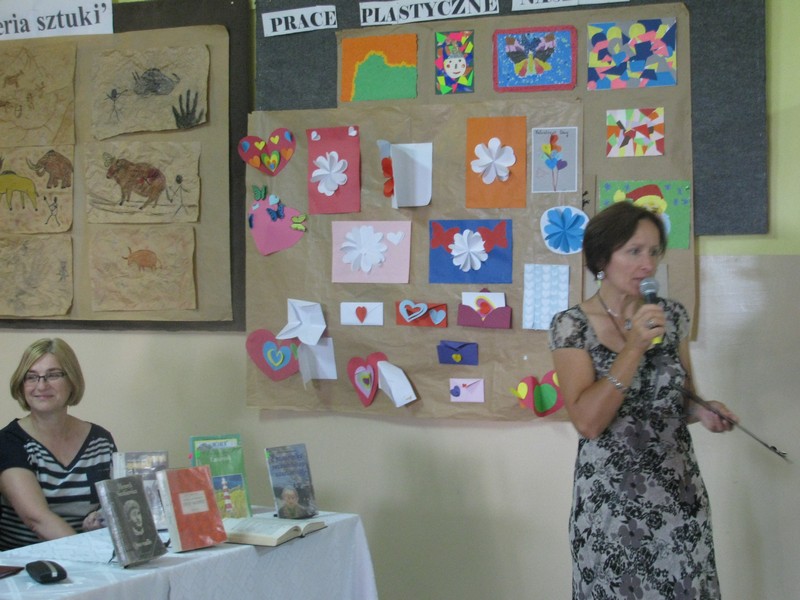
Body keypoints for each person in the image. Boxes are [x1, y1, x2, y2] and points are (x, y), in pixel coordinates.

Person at [548, 201, 738, 599]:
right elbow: (588, 422)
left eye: (653, 252)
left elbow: (680, 398)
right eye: (634, 251)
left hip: (678, 496)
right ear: (603, 257)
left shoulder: (672, 317)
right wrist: (633, 347)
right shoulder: (571, 326)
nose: (647, 264)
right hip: (611, 507)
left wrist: (704, 411)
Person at [0, 338, 117, 550]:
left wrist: (100, 521)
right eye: (31, 377)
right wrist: (88, 553)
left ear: (72, 380)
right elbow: (36, 519)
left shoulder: (100, 440)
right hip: (30, 563)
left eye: (53, 375)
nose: (41, 386)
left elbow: (115, 504)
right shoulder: (9, 442)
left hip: (88, 555)